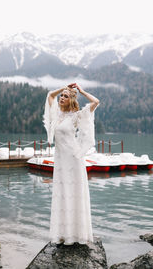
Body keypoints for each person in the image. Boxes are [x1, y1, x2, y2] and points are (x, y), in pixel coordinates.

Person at [43, 83, 99, 245]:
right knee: (62, 193)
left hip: (73, 158)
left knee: (74, 193)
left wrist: (81, 91)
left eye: (66, 96)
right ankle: (64, 235)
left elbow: (96, 102)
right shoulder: (57, 113)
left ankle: (78, 235)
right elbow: (50, 96)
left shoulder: (77, 116)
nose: (62, 98)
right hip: (60, 159)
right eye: (62, 95)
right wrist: (63, 88)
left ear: (72, 100)